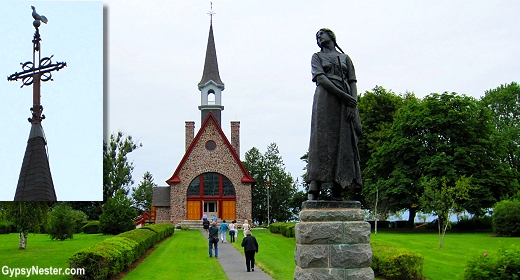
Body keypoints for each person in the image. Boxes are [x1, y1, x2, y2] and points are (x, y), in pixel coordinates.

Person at [306, 28, 363, 201]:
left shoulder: (345, 58)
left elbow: (352, 81)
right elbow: (321, 79)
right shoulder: (316, 57)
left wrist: (352, 103)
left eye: (321, 34)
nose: (319, 37)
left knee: (343, 140)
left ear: (331, 36)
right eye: (317, 36)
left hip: (344, 102)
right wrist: (345, 97)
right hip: (325, 99)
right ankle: (314, 185)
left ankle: (338, 187)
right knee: (321, 140)